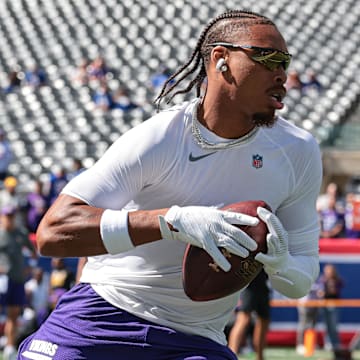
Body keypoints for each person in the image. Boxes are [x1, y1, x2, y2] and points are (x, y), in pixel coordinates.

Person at [18, 9, 322, 360]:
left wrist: (280, 263)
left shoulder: (298, 151)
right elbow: (52, 233)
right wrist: (172, 222)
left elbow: (300, 280)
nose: (282, 73)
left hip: (195, 340)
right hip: (101, 315)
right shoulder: (160, 136)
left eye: (285, 61)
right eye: (268, 57)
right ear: (221, 59)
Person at [0, 206, 37, 360]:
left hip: (17, 280)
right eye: (6, 216)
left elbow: (33, 250)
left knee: (13, 315)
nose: (9, 218)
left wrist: (29, 267)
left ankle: (9, 347)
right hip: (2, 280)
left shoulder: (20, 233)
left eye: (11, 216)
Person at [227, 270, 271, 360]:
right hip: (248, 283)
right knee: (244, 318)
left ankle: (260, 357)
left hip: (262, 281)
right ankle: (231, 354)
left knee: (264, 319)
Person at [317, 264, 344, 351]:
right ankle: (328, 343)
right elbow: (320, 293)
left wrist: (331, 286)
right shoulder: (322, 280)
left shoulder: (337, 280)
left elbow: (336, 290)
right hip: (324, 304)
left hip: (333, 304)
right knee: (326, 326)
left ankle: (335, 343)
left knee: (333, 325)